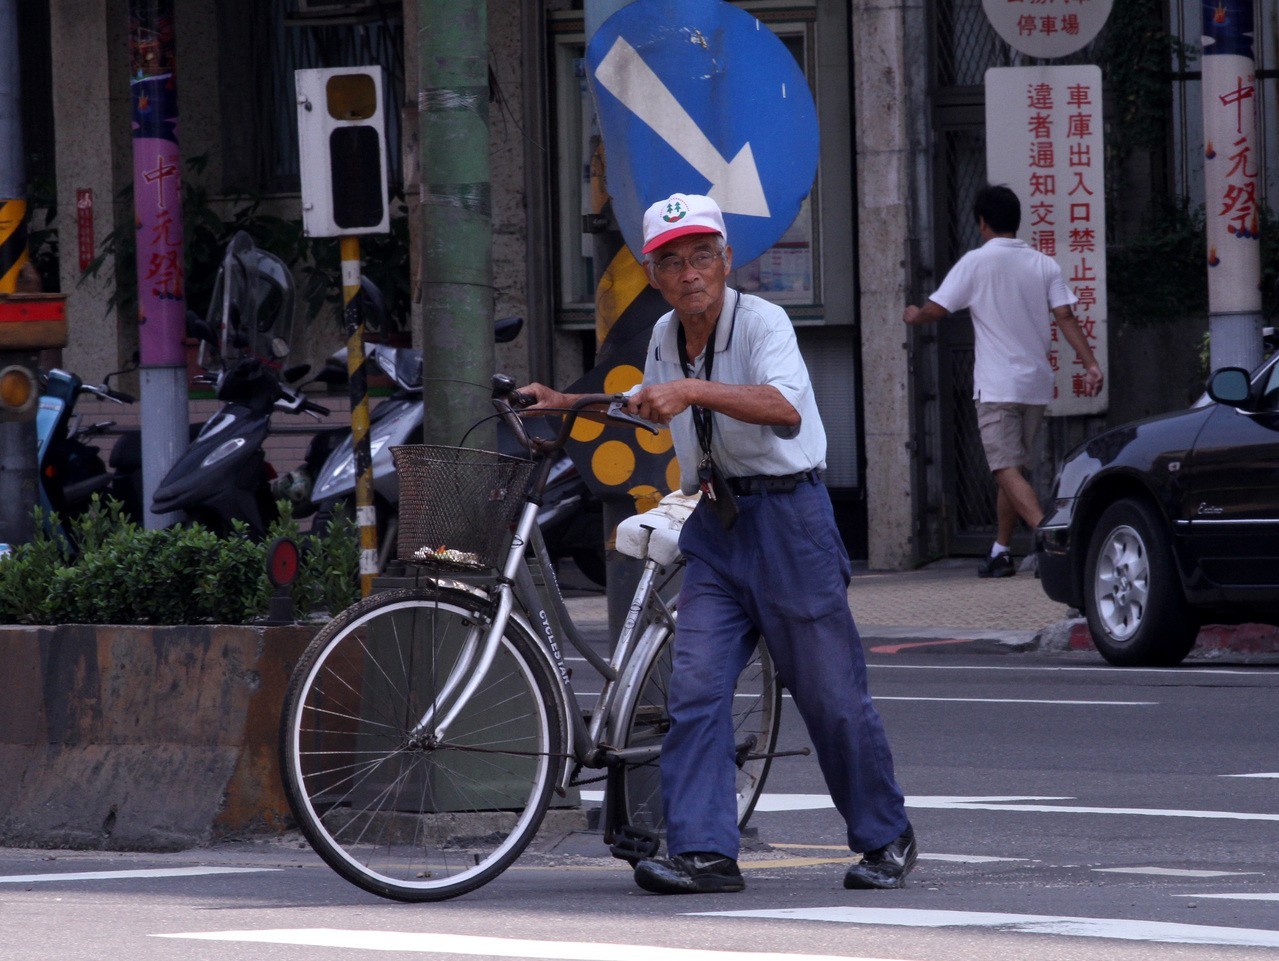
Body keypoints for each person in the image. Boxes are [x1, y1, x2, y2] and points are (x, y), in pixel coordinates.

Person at [517, 192, 916, 895]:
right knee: (695, 689)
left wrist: (693, 391)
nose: (689, 271)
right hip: (716, 526)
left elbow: (783, 406)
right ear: (653, 273)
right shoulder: (666, 337)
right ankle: (704, 851)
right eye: (671, 261)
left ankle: (885, 836)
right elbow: (649, 399)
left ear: (726, 260)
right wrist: (566, 401)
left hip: (791, 521)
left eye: (702, 255)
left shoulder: (763, 322)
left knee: (829, 696)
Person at [903, 184, 1104, 578]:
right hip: (1034, 386)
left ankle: (1053, 539)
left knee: (1003, 469)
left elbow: (937, 309)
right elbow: (1066, 317)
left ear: (981, 223)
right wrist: (1090, 364)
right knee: (1012, 468)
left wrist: (914, 315)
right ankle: (999, 551)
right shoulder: (1044, 264)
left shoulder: (976, 263)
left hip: (997, 385)